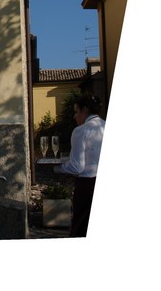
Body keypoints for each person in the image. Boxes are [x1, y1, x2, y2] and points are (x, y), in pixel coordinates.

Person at [56, 94, 105, 237]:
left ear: (85, 110)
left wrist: (57, 168)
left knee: (82, 228)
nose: (74, 116)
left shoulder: (81, 131)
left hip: (87, 187)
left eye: (76, 112)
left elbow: (77, 167)